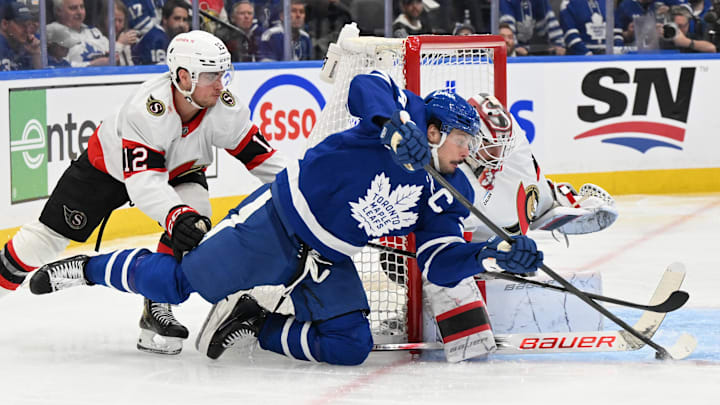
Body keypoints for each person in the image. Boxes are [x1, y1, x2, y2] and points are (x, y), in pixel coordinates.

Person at [28, 70, 545, 366]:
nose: (471, 154)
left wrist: (489, 253)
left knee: (350, 347)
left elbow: (438, 263)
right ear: (436, 130)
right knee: (181, 283)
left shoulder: (448, 193)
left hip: (326, 258)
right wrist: (389, 127)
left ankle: (256, 322)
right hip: (275, 223)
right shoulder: (405, 112)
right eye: (465, 141)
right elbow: (366, 87)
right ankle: (88, 269)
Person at [0, 30, 286, 355]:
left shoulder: (226, 107)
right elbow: (144, 182)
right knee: (41, 242)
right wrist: (174, 215)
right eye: (210, 76)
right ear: (183, 77)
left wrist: (301, 186)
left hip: (182, 171)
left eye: (223, 73)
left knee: (194, 229)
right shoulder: (146, 109)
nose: (221, 84)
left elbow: (263, 158)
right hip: (106, 170)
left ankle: (156, 307)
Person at [420, 93, 618, 361]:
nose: (498, 153)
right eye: (490, 144)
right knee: (452, 255)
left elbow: (530, 180)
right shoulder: (451, 171)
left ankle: (556, 200)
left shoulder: (513, 149)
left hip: (502, 221)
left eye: (502, 143)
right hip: (454, 241)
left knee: (530, 189)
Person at [53, 0, 110, 67]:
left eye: (82, 7)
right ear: (59, 11)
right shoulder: (53, 35)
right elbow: (57, 67)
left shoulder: (94, 31)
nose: (80, 12)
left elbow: (112, 56)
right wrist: (91, 64)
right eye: (73, 8)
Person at [131, 0, 189, 65]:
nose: (181, 24)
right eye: (177, 18)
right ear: (165, 19)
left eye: (184, 20)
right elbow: (157, 72)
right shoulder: (156, 39)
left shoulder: (170, 37)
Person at [499, 0, 566, 55]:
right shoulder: (506, 2)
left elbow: (549, 21)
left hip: (526, 50)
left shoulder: (539, 1)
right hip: (503, 53)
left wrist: (558, 44)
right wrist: (516, 47)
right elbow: (508, 31)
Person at [558, 0, 624, 55]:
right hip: (582, 60)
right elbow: (570, 35)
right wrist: (588, 56)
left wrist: (617, 52)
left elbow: (617, 31)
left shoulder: (607, 2)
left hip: (610, 58)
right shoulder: (568, 3)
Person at [0, 1, 40, 70]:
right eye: (22, 25)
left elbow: (41, 78)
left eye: (28, 24)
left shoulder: (23, 48)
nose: (27, 30)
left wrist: (35, 53)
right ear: (5, 24)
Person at [97, 0, 138, 66]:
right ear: (104, 20)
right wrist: (120, 43)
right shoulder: (97, 39)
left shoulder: (126, 38)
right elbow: (105, 62)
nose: (117, 25)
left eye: (120, 21)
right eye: (113, 20)